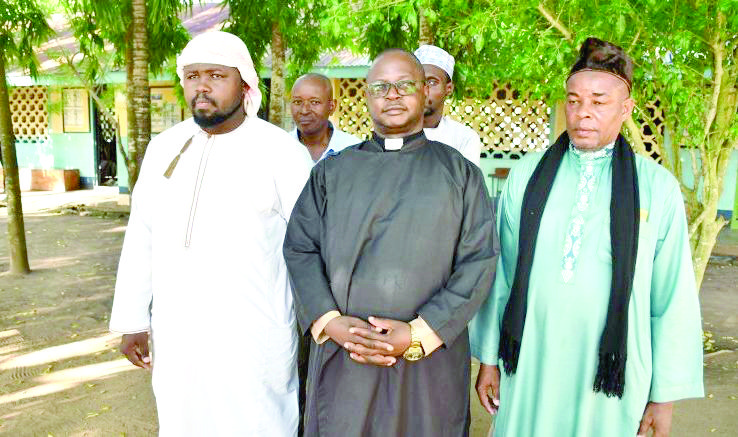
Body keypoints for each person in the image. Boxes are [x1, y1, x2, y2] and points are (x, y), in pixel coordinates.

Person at [470, 37, 704, 436]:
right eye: (574, 100)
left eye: (599, 102)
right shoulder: (527, 174)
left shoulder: (656, 189)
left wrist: (663, 397)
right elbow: (501, 272)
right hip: (529, 364)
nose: (583, 113)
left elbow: (671, 298)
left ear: (626, 109)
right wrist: (489, 358)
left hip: (610, 377)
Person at [283, 48, 498, 437]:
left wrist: (418, 334)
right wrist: (331, 322)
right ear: (366, 96)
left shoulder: (461, 174)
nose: (393, 95)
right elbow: (300, 247)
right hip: (347, 353)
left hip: (428, 358)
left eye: (404, 85)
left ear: (424, 93)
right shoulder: (332, 171)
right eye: (381, 86)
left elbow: (479, 260)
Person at [109, 31, 313, 436]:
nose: (201, 86)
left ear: (245, 84)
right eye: (192, 75)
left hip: (253, 332)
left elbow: (310, 245)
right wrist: (132, 319)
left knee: (261, 423)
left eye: (216, 75)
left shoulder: (280, 151)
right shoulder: (164, 148)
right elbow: (141, 236)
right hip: (178, 331)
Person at [414, 44, 482, 167]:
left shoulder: (464, 138)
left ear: (448, 88)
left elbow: (467, 184)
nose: (423, 90)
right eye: (417, 81)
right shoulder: (394, 134)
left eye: (432, 82)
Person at [289, 73, 361, 162]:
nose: (304, 110)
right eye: (297, 102)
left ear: (332, 106)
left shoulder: (353, 150)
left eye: (314, 102)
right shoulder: (278, 148)